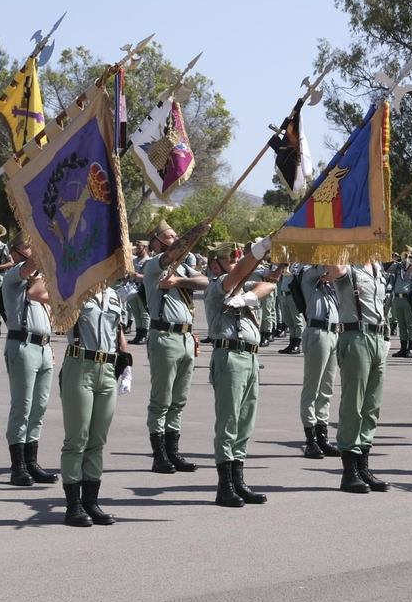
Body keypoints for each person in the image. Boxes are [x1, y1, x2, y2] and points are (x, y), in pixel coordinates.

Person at [203, 240, 276, 508]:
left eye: (237, 260)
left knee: (245, 424)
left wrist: (278, 260)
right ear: (215, 265)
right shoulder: (217, 287)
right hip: (229, 356)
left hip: (250, 357)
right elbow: (238, 273)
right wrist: (257, 252)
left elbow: (270, 281)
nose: (236, 265)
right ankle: (225, 487)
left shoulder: (241, 289)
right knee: (229, 423)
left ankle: (238, 481)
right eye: (231, 260)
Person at [57, 272, 127, 527]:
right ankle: (73, 506)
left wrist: (125, 360)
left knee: (97, 440)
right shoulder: (74, 290)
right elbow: (42, 290)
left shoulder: (114, 296)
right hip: (80, 365)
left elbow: (117, 331)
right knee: (77, 439)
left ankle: (91, 502)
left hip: (107, 369)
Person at [139, 219, 208, 475]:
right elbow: (172, 253)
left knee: (179, 400)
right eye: (168, 236)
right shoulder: (152, 266)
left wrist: (179, 282)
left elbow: (203, 282)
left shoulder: (182, 269)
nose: (175, 239)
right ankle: (159, 455)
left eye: (176, 235)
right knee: (161, 399)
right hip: (164, 337)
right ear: (156, 242)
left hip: (186, 338)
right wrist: (195, 232)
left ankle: (173, 451)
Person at [334, 255, 395, 492]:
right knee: (353, 405)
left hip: (379, 338)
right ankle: (349, 472)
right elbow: (335, 267)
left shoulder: (377, 268)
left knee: (372, 406)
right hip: (356, 336)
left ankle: (363, 465)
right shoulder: (348, 267)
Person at [2, 234, 57, 487]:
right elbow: (30, 267)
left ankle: (32, 462)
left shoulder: (43, 280)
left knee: (39, 408)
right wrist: (44, 244)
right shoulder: (14, 276)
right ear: (15, 253)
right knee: (22, 408)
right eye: (28, 246)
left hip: (44, 347)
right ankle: (18, 466)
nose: (33, 248)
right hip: (23, 345)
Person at [298, 261, 345, 458]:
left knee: (327, 388)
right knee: (313, 387)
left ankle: (322, 435)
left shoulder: (329, 285)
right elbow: (327, 268)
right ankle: (310, 439)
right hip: (317, 332)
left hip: (334, 333)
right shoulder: (307, 274)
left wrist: (333, 278)